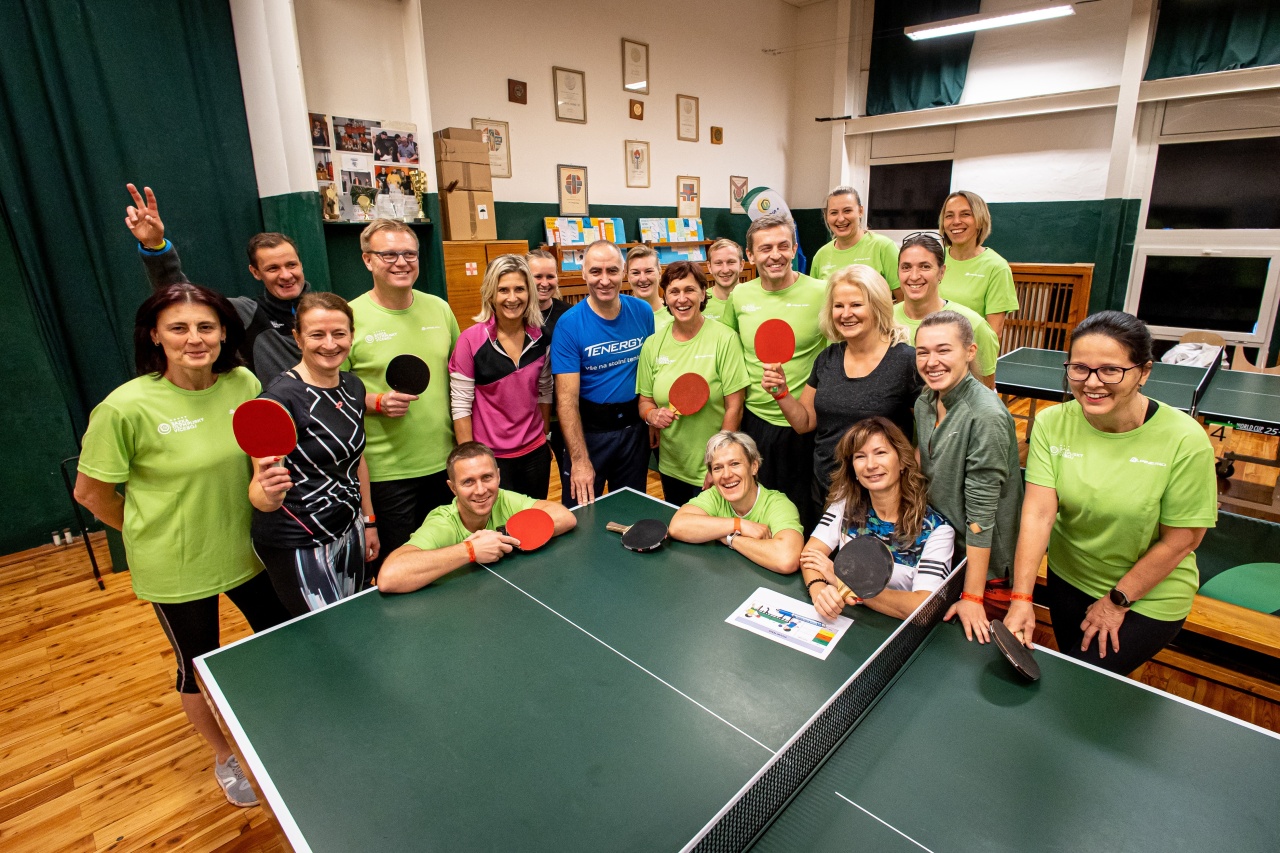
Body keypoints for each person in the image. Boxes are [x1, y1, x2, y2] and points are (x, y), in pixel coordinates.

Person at [74, 283, 291, 807]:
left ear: (223, 334)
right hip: (176, 565)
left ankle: (282, 726)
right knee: (197, 667)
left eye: (206, 327)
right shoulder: (124, 407)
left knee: (280, 640)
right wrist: (145, 533)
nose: (195, 338)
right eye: (178, 327)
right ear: (155, 335)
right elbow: (90, 493)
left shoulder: (242, 382)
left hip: (248, 550)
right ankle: (225, 756)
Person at [1004, 312, 1217, 673]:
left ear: (1143, 372)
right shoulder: (1053, 423)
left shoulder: (1185, 440)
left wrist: (1118, 600)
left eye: (1110, 370)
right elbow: (1039, 514)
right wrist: (1022, 597)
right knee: (1068, 674)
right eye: (1080, 369)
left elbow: (1183, 539)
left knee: (1076, 684)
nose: (1092, 382)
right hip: (1068, 578)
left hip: (1146, 595)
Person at [249, 292, 379, 617]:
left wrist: (368, 521)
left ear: (351, 335)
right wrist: (268, 493)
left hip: (349, 528)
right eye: (317, 334)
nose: (330, 344)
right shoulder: (277, 401)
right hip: (299, 540)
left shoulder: (353, 387)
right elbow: (260, 494)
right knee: (329, 632)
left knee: (357, 619)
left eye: (339, 333)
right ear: (298, 338)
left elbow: (356, 460)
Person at [763, 264, 920, 523]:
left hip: (881, 498)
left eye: (856, 305)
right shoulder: (828, 358)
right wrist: (781, 393)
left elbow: (930, 433)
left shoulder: (906, 361)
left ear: (877, 306)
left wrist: (907, 479)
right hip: (826, 490)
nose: (846, 314)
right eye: (839, 306)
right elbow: (805, 422)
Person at [345, 219, 460, 564]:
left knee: (447, 560)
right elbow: (331, 393)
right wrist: (375, 401)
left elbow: (460, 378)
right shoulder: (349, 317)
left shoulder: (439, 308)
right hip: (387, 474)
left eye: (410, 254)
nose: (402, 262)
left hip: (444, 464)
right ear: (367, 260)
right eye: (389, 254)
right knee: (400, 568)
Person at [124, 183, 309, 380]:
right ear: (255, 272)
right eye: (273, 268)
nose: (286, 275)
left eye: (291, 265)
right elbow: (180, 294)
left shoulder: (326, 308)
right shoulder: (245, 313)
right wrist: (155, 247)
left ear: (301, 264)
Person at [914, 311, 1023, 644]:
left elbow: (981, 517)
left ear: (970, 351)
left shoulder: (985, 416)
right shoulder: (925, 401)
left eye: (943, 350)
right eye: (922, 352)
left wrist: (973, 596)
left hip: (984, 570)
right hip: (945, 552)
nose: (931, 361)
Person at [720, 212, 832, 533]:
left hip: (804, 426)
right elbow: (728, 352)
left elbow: (838, 354)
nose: (775, 255)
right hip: (754, 422)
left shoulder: (822, 292)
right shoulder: (740, 296)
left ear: (795, 248)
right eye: (765, 248)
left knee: (801, 516)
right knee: (756, 513)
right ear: (750, 255)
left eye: (783, 246)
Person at [801, 418, 955, 621]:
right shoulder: (845, 505)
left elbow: (924, 608)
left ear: (902, 461)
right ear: (853, 469)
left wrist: (847, 584)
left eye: (880, 453)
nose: (871, 465)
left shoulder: (937, 530)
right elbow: (811, 555)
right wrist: (819, 590)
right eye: (860, 456)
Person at [378, 442, 577, 593]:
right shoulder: (443, 522)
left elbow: (565, 517)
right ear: (452, 488)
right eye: (468, 482)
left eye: (487, 477)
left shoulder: (503, 499)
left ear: (498, 476)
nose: (481, 490)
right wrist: (471, 550)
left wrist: (501, 537)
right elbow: (389, 577)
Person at [551, 241, 655, 506]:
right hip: (589, 434)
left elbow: (651, 372)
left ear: (623, 272)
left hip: (634, 432)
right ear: (583, 273)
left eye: (612, 271)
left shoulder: (643, 312)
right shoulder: (569, 325)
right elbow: (566, 401)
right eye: (596, 271)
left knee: (631, 510)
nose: (605, 280)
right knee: (581, 514)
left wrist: (652, 419)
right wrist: (579, 460)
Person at [637, 262, 749, 505]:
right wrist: (652, 415)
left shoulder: (725, 339)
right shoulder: (653, 344)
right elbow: (645, 401)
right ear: (665, 297)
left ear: (702, 293)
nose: (682, 299)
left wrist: (718, 464)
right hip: (671, 465)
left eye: (689, 290)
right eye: (674, 291)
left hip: (714, 467)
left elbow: (735, 408)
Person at [449, 255, 554, 499]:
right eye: (503, 290)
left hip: (535, 454)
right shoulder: (469, 341)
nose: (512, 298)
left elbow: (544, 389)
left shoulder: (542, 337)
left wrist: (544, 435)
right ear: (490, 294)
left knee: (533, 518)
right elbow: (461, 406)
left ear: (529, 293)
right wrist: (471, 461)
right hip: (491, 458)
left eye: (519, 289)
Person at [669, 431, 803, 574]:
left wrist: (729, 538)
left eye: (734, 464)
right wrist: (738, 525)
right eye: (718, 468)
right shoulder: (715, 495)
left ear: (754, 466)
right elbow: (677, 526)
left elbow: (786, 559)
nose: (726, 475)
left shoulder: (779, 505)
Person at [894, 232, 1000, 387]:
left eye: (925, 267)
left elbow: (986, 389)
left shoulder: (974, 325)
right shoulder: (882, 319)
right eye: (906, 267)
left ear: (941, 272)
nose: (914, 276)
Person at [938, 190, 1019, 338]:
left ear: (980, 220)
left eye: (965, 214)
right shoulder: (933, 258)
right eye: (949, 215)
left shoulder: (997, 267)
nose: (956, 221)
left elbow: (993, 334)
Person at [528, 249, 572, 491]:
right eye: (537, 276)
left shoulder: (569, 315)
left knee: (571, 479)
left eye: (550, 276)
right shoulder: (513, 315)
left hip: (565, 415)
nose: (544, 283)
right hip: (529, 417)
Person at [809, 186, 899, 289]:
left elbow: (903, 297)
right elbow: (815, 296)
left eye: (847, 211)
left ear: (860, 211)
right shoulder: (821, 256)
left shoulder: (884, 247)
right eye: (834, 213)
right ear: (826, 216)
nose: (841, 219)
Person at [626, 244, 671, 331]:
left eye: (648, 271)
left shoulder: (675, 314)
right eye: (635, 273)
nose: (643, 279)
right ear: (627, 276)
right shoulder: (620, 316)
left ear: (660, 273)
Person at [704, 238, 743, 324]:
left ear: (741, 265)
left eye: (731, 262)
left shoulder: (754, 298)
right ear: (709, 267)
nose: (725, 270)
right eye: (718, 263)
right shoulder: (700, 301)